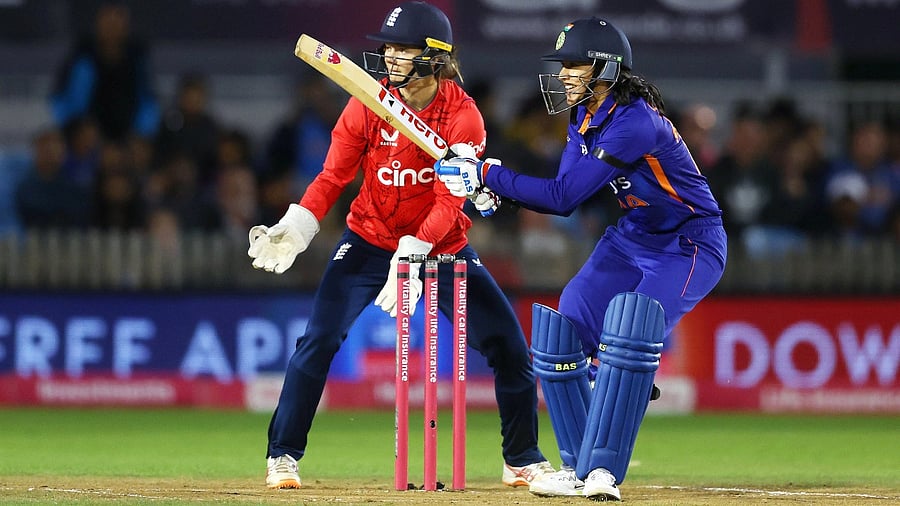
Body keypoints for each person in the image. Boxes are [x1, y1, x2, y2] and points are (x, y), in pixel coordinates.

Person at [248, 1, 552, 490]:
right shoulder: (366, 102)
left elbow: (449, 201)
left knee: (509, 347)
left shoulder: (463, 117)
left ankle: (521, 458)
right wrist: (300, 222)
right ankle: (282, 454)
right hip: (367, 241)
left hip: (443, 247)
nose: (389, 59)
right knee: (319, 340)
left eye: (402, 50)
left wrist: (417, 249)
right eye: (387, 48)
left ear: (433, 57)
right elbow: (334, 175)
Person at [437, 17, 727, 501]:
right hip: (633, 237)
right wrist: (495, 193)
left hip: (689, 242)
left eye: (575, 64)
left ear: (606, 68)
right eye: (563, 64)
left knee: (629, 332)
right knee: (565, 330)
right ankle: (579, 465)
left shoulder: (636, 122)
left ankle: (604, 472)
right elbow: (555, 192)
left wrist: (487, 173)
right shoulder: (584, 116)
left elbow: (564, 197)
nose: (565, 74)